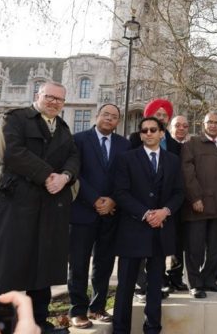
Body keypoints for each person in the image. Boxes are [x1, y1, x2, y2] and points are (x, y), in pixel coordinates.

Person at [0, 81, 79, 333]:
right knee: (3, 265)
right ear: (38, 95)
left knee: (42, 268)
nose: (54, 102)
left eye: (59, 100)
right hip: (17, 203)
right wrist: (47, 175)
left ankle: (39, 322)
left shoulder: (64, 129)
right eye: (49, 97)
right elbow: (11, 152)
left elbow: (74, 157)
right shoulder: (16, 118)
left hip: (51, 205)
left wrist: (65, 176)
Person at [112, 117, 184, 334]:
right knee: (125, 285)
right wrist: (145, 214)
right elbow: (121, 193)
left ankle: (152, 328)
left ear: (162, 133)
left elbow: (179, 192)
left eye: (153, 129)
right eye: (144, 131)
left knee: (155, 286)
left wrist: (164, 212)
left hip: (160, 230)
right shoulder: (126, 159)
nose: (148, 133)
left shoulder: (172, 160)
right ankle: (120, 329)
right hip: (132, 230)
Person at [67, 104, 131, 329]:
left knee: (104, 263)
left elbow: (125, 177)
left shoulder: (125, 144)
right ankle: (77, 310)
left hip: (111, 214)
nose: (109, 119)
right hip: (83, 211)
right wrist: (95, 199)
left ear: (118, 122)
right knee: (78, 263)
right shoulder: (79, 140)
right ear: (97, 116)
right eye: (106, 115)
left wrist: (112, 200)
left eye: (114, 117)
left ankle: (97, 307)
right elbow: (75, 173)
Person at [129, 99, 187, 295]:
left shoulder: (173, 144)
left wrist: (166, 209)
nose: (161, 118)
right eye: (158, 114)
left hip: (165, 205)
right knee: (140, 249)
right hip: (140, 204)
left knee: (160, 248)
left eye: (164, 116)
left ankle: (159, 282)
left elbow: (177, 177)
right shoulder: (135, 140)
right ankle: (141, 285)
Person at [181, 111, 217, 298]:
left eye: (216, 122)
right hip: (198, 207)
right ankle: (195, 284)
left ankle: (208, 281)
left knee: (215, 250)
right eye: (209, 122)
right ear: (203, 124)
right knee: (195, 249)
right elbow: (187, 173)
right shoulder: (192, 144)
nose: (213, 125)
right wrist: (195, 197)